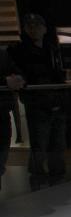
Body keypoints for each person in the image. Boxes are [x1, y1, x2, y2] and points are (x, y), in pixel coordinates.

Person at [8, 13, 68, 190]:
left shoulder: (52, 49)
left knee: (57, 143)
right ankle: (38, 177)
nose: (34, 28)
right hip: (38, 104)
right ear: (25, 29)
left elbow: (58, 74)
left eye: (37, 25)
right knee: (39, 143)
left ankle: (57, 176)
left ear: (44, 28)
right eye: (30, 25)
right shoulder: (18, 51)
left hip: (56, 100)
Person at [1, 48, 25, 190]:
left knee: (3, 150)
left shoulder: (3, 54)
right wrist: (5, 81)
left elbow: (17, 71)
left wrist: (19, 79)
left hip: (3, 109)